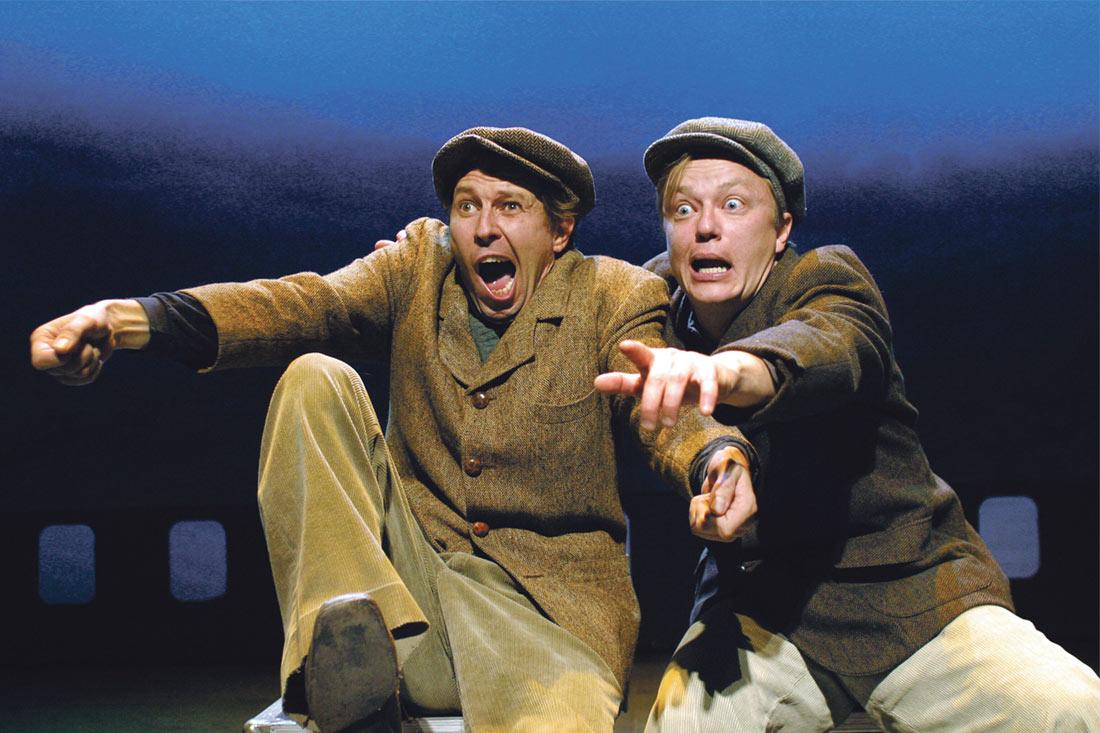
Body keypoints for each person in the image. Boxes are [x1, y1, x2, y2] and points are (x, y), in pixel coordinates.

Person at [29, 126, 757, 733]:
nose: (484, 226)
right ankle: (343, 654)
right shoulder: (417, 267)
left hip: (543, 621)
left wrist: (716, 459)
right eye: (467, 206)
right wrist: (130, 320)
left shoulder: (614, 294)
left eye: (510, 206)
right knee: (315, 377)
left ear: (559, 230)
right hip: (407, 601)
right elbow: (299, 305)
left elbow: (661, 403)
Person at [595, 117, 1100, 732]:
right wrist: (718, 463)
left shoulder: (824, 276)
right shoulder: (651, 305)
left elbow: (831, 346)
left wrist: (727, 372)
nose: (705, 227)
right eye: (683, 209)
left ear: (781, 230)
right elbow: (661, 418)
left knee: (1068, 707)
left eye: (733, 205)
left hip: (912, 590)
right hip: (761, 606)